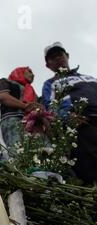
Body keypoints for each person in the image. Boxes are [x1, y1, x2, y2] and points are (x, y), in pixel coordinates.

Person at [42, 42, 97, 184]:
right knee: (90, 172)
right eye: (52, 58)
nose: (58, 58)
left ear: (67, 56)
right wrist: (68, 117)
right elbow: (50, 106)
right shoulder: (51, 83)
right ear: (48, 65)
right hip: (82, 126)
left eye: (59, 54)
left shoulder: (90, 78)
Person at [0, 67, 41, 150]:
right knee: (18, 153)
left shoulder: (34, 93)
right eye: (30, 71)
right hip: (13, 120)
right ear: (20, 71)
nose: (33, 75)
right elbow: (3, 97)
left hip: (34, 125)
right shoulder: (6, 81)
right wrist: (25, 106)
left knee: (39, 153)